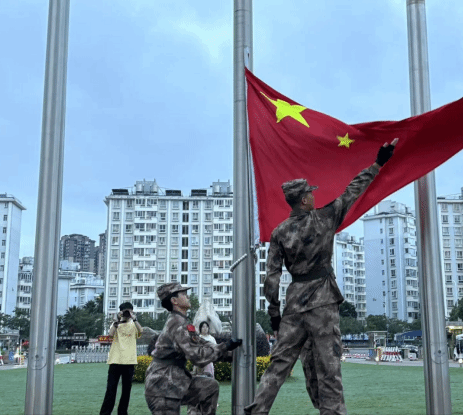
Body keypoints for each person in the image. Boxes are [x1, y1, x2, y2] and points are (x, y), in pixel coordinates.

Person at [245, 139, 398, 415]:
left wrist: (275, 314)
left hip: (294, 306)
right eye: (310, 194)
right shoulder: (324, 219)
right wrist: (378, 163)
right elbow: (353, 191)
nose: (314, 197)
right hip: (323, 303)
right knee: (329, 368)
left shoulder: (279, 232)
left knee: (278, 366)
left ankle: (256, 411)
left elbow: (272, 278)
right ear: (304, 200)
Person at [145, 283, 243, 415]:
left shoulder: (181, 321)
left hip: (174, 381)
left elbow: (201, 343)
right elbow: (197, 356)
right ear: (174, 301)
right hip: (162, 386)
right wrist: (226, 346)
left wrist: (228, 353)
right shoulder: (177, 324)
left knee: (209, 387)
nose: (188, 296)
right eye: (183, 294)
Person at [100, 302, 143, 415]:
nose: (127, 313)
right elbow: (110, 335)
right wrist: (117, 321)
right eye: (125, 311)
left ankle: (122, 412)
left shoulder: (134, 325)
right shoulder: (116, 324)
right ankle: (105, 412)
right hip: (115, 360)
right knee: (111, 389)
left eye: (129, 311)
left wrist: (134, 319)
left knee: (126, 390)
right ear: (120, 312)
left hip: (129, 361)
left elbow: (141, 331)